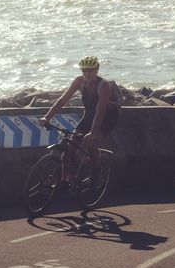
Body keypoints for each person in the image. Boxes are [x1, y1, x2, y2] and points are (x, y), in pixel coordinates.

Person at [40, 55, 119, 186]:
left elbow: (100, 112)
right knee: (71, 145)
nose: (87, 73)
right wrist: (46, 117)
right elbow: (62, 100)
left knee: (91, 143)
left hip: (107, 116)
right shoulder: (79, 81)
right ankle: (67, 179)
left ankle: (96, 171)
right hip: (89, 114)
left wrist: (93, 133)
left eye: (90, 70)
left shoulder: (103, 85)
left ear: (97, 69)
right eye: (84, 70)